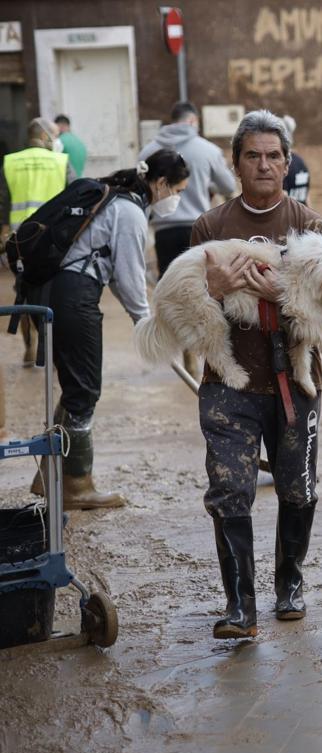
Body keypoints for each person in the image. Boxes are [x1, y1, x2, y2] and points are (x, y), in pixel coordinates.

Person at [191, 110, 322, 640]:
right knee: (229, 492)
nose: (264, 165)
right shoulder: (210, 228)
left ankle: (289, 584)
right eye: (252, 155)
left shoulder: (310, 225)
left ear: (287, 161)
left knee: (297, 490)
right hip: (228, 384)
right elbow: (184, 313)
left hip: (295, 384)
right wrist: (212, 290)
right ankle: (240, 607)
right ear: (235, 164)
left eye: (273, 155)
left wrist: (289, 295)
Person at [29, 150, 190, 509]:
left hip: (61, 291)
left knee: (75, 387)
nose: (176, 199)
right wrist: (146, 322)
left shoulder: (118, 199)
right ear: (160, 183)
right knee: (83, 391)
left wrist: (141, 316)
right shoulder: (130, 212)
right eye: (177, 189)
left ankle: (49, 477)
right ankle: (76, 485)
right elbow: (131, 278)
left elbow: (117, 272)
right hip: (74, 296)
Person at [1, 118, 74, 366]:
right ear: (45, 137)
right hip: (53, 239)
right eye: (53, 135)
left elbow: (3, 201)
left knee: (23, 291)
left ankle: (30, 348)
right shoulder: (61, 162)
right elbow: (77, 197)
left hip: (19, 240)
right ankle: (52, 351)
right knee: (54, 291)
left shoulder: (10, 162)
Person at [139, 102, 238, 280]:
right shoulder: (208, 149)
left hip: (163, 231)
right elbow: (229, 186)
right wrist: (208, 185)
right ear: (193, 120)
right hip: (198, 228)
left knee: (169, 287)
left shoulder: (148, 151)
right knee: (200, 286)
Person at [281, 116, 310, 205]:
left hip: (288, 217)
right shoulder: (301, 163)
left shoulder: (282, 164)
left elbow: (283, 198)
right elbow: (307, 198)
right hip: (303, 216)